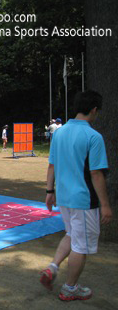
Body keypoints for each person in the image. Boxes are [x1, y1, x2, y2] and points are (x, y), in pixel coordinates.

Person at [40, 91, 113, 301]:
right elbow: (96, 173)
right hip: (84, 200)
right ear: (94, 110)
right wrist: (105, 205)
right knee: (81, 246)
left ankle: (52, 268)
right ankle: (70, 288)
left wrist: (49, 191)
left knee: (72, 235)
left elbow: (51, 165)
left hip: (63, 198)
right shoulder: (93, 137)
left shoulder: (59, 133)